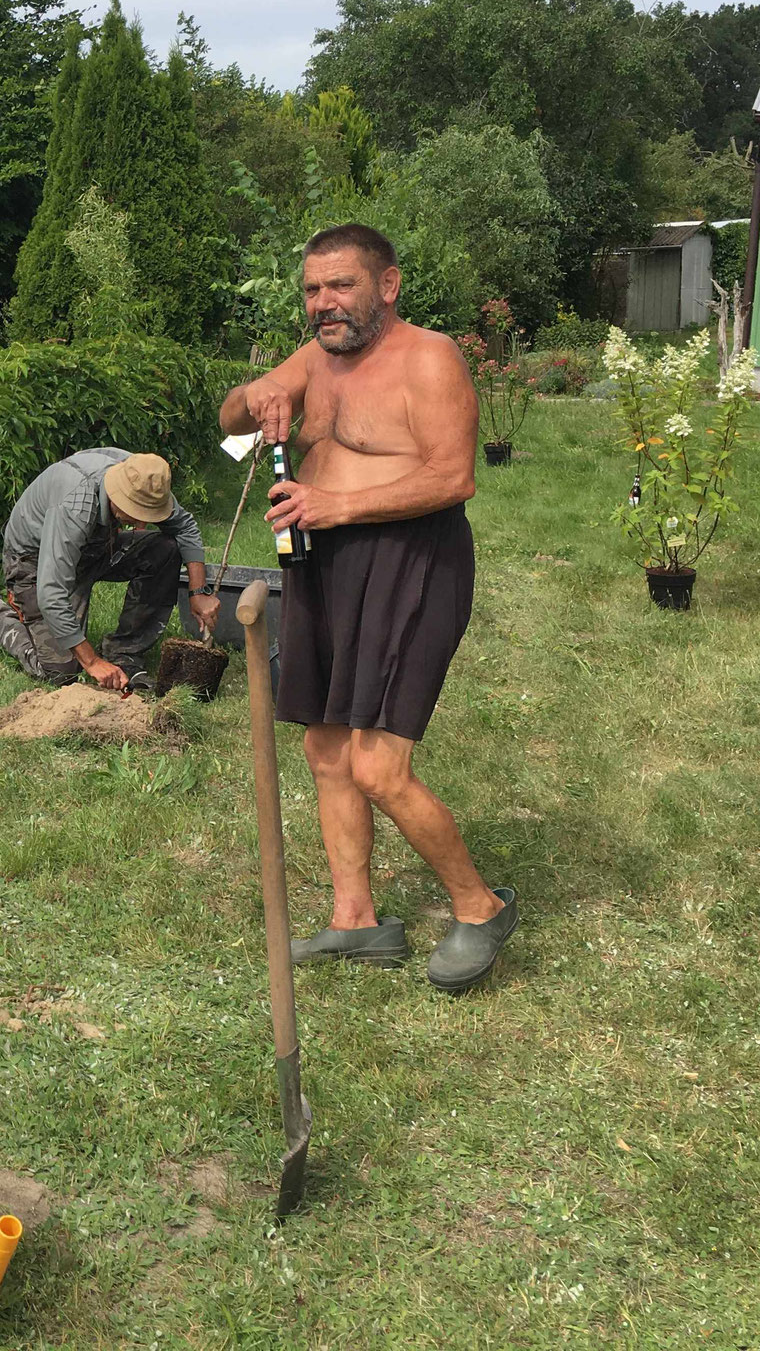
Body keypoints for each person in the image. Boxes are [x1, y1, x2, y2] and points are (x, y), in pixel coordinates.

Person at [218, 223, 517, 992]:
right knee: (324, 751)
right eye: (313, 289)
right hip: (319, 565)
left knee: (379, 765)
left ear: (387, 285)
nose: (325, 303)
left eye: (341, 285)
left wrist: (333, 507)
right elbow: (229, 420)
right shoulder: (318, 356)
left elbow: (453, 479)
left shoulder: (430, 358)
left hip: (411, 564)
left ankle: (479, 907)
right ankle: (357, 920)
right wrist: (257, 395)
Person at [0, 449, 220, 693]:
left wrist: (198, 591)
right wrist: (92, 662)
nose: (142, 524)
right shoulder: (75, 504)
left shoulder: (142, 477)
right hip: (35, 561)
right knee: (61, 671)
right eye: (136, 514)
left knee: (165, 549)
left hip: (94, 547)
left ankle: (124, 653)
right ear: (117, 496)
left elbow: (185, 526)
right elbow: (51, 592)